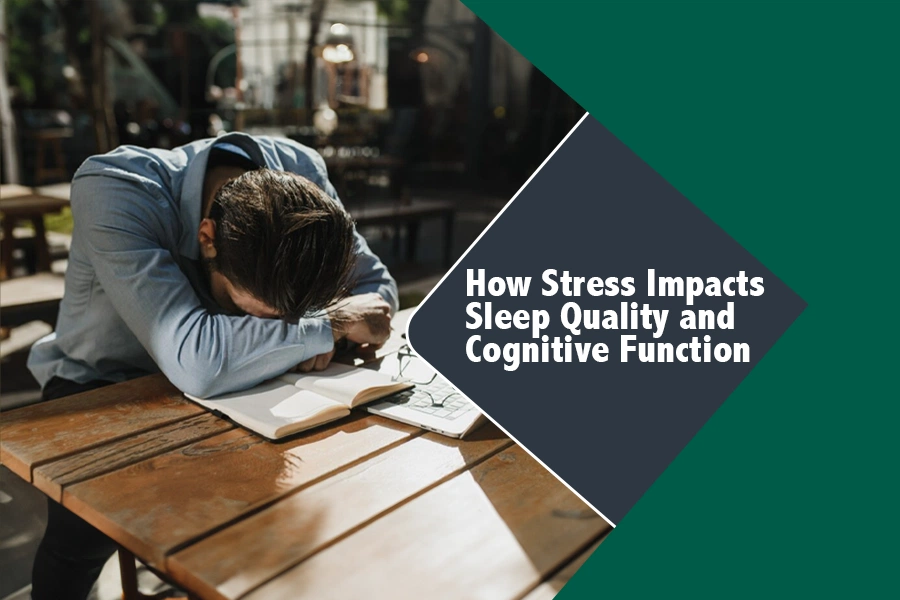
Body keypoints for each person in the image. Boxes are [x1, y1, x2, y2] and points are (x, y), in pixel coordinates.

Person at [26, 133, 398, 599]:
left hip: (248, 382)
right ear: (208, 238)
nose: (284, 328)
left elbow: (376, 292)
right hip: (102, 384)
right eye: (258, 314)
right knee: (80, 539)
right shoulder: (114, 187)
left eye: (295, 316)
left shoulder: (302, 173)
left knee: (300, 505)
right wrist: (327, 325)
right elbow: (196, 360)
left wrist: (314, 326)